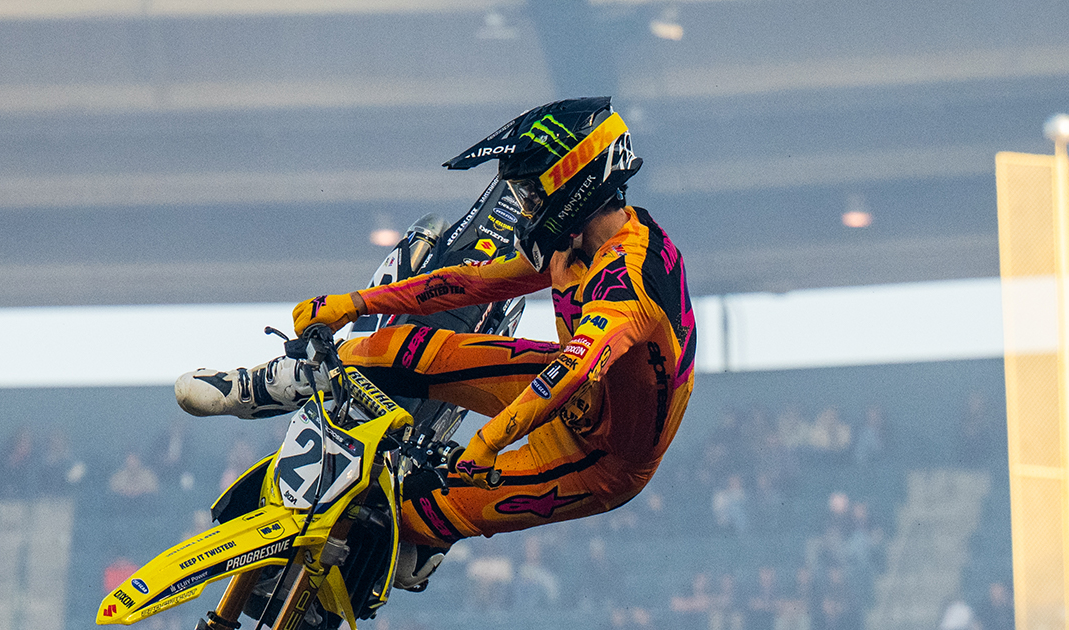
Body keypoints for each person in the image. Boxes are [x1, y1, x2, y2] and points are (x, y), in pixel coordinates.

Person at [178, 97, 694, 593]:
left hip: (600, 458)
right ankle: (261, 386)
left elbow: (574, 369)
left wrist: (486, 443)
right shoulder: (579, 242)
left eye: (532, 195)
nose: (525, 209)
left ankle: (425, 541)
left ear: (574, 184)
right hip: (577, 390)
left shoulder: (629, 276)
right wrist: (354, 303)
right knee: (391, 347)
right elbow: (473, 282)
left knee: (408, 511)